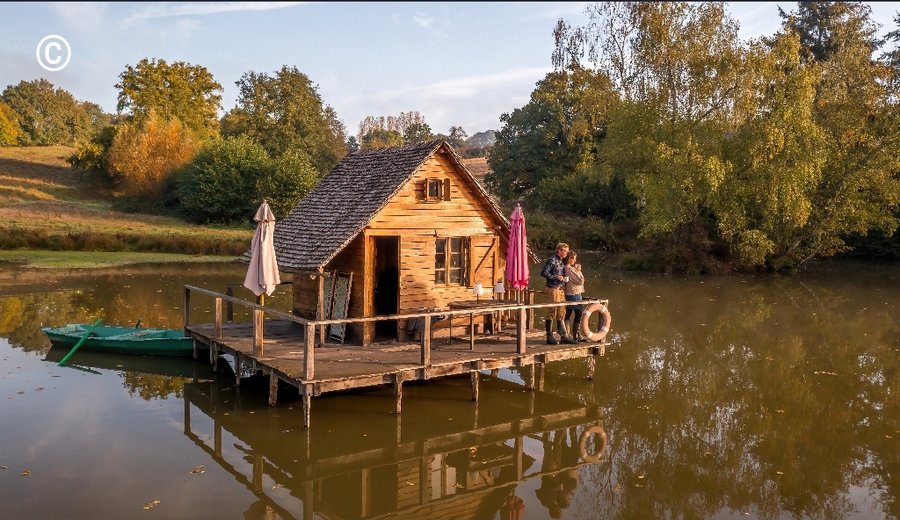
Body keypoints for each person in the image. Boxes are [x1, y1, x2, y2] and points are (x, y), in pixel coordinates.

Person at [540, 243, 576, 345]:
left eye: (567, 251)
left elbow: (571, 262)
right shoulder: (552, 260)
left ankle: (563, 335)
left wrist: (576, 266)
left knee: (561, 312)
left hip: (560, 289)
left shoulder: (561, 261)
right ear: (558, 251)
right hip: (552, 289)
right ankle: (549, 336)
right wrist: (556, 276)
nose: (566, 253)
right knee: (552, 312)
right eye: (565, 251)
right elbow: (543, 272)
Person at [563, 251, 586, 342]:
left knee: (568, 314)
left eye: (575, 259)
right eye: (573, 258)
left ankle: (569, 334)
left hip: (571, 294)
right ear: (569, 259)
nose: (575, 261)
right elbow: (581, 281)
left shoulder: (568, 268)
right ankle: (575, 336)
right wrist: (578, 271)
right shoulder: (569, 269)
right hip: (574, 295)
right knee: (578, 314)